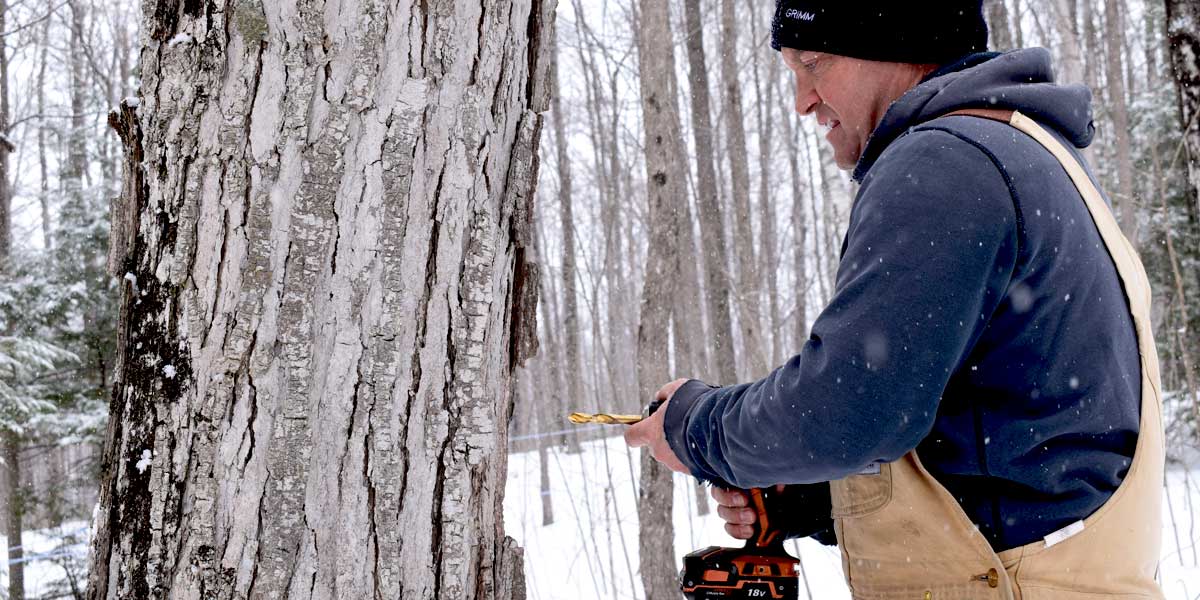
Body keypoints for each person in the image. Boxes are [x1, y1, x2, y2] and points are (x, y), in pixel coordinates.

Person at [624, 1, 1165, 597]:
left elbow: (846, 412)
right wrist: (823, 499)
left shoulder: (945, 161)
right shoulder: (1027, 152)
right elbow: (1022, 444)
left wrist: (696, 428)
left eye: (814, 63)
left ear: (896, 45)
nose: (802, 99)